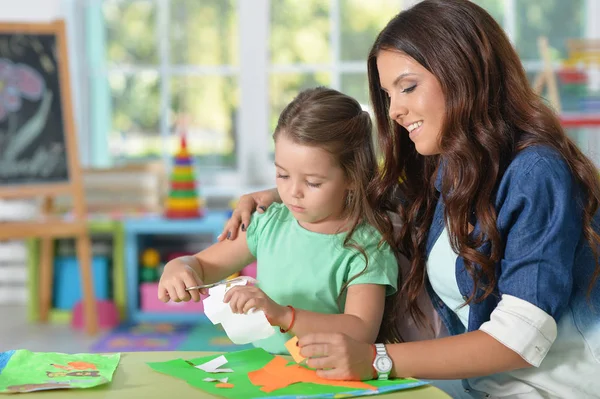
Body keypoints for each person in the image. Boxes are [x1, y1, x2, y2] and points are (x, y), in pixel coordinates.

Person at [220, 0, 600, 397]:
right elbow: (368, 196)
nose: (395, 110)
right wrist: (279, 193)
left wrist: (375, 358)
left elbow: (519, 337)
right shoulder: (450, 169)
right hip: (485, 390)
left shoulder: (536, 171)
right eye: (388, 94)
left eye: (408, 86)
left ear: (463, 72)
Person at [158, 87, 398, 355]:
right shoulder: (267, 223)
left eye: (313, 182)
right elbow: (202, 265)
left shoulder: (366, 247)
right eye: (283, 175)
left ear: (353, 177)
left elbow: (362, 331)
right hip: (265, 372)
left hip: (330, 378)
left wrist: (284, 315)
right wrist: (178, 267)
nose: (293, 192)